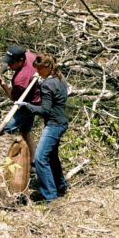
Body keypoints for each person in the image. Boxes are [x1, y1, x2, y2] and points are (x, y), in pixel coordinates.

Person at [15, 54, 69, 202]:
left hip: (54, 125)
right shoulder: (60, 78)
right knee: (51, 156)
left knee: (40, 159)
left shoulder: (47, 84)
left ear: (47, 67)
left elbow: (45, 110)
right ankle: (61, 186)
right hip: (63, 121)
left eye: (38, 69)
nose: (37, 72)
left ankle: (51, 197)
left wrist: (27, 106)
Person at [0, 45, 41, 165]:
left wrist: (3, 84)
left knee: (4, 130)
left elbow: (13, 98)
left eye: (12, 63)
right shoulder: (29, 55)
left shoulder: (20, 79)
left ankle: (2, 161)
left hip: (27, 104)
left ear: (21, 60)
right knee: (25, 130)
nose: (10, 66)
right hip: (36, 98)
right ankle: (34, 161)